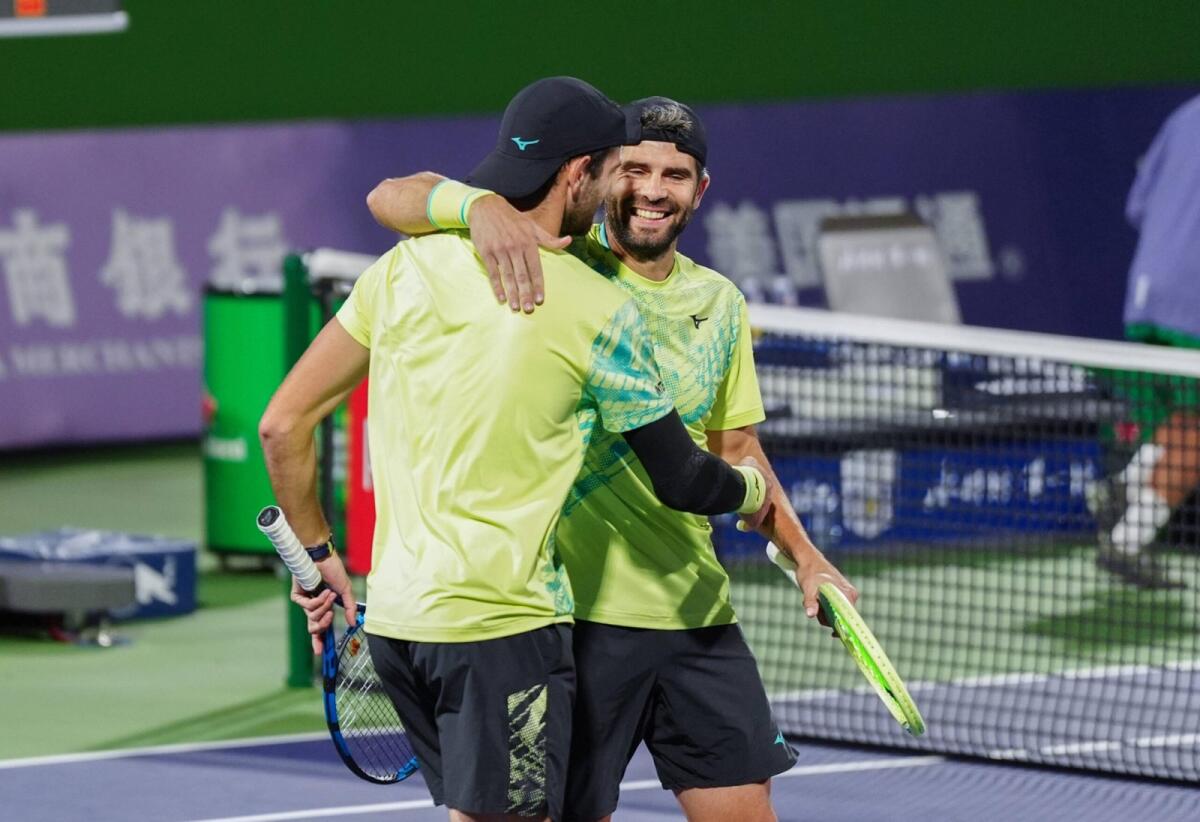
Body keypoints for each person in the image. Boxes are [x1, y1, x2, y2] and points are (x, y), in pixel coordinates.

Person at [260, 77, 776, 822]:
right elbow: (683, 478)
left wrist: (316, 559)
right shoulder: (597, 308)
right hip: (504, 632)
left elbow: (282, 427)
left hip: (401, 625)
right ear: (577, 174)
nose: (616, 191)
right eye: (610, 172)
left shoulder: (406, 266)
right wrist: (752, 491)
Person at [363, 95, 856, 822]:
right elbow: (389, 198)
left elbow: (737, 450)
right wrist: (476, 208)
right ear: (592, 177)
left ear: (701, 190)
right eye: (635, 169)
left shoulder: (718, 303)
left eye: (676, 174)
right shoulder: (547, 267)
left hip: (694, 612)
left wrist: (805, 556)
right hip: (577, 625)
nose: (653, 190)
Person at [1094, 94, 1200, 590]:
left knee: (1187, 418)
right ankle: (1128, 543)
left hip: (1146, 292)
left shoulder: (1185, 114)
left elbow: (1138, 205)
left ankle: (1127, 484)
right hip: (1193, 302)